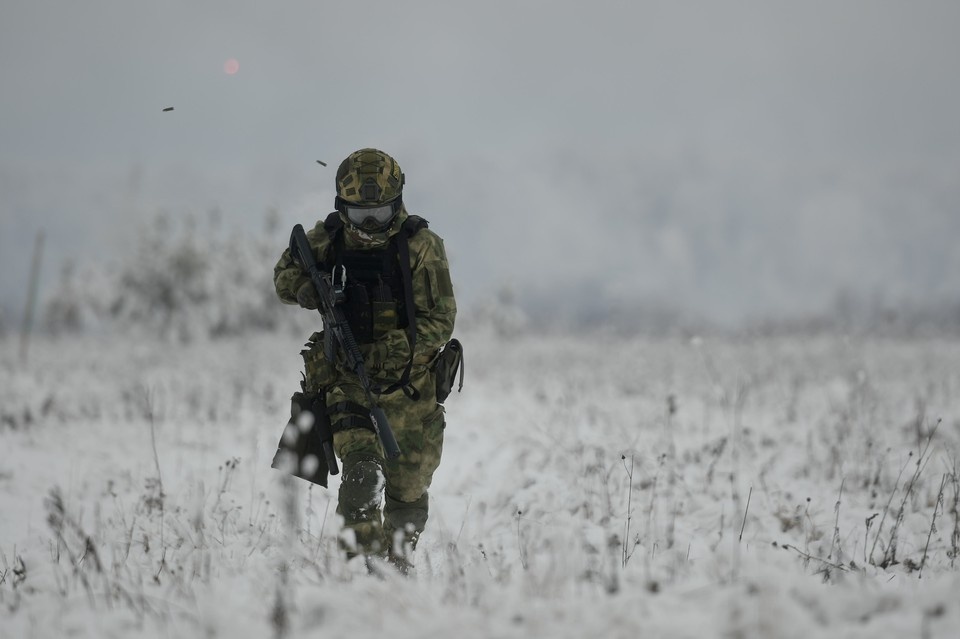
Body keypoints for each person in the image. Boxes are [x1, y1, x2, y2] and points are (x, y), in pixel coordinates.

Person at [273, 148, 457, 570]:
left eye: (380, 213)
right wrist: (307, 289)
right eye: (359, 215)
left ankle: (397, 565)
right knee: (362, 476)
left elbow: (441, 320)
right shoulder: (328, 237)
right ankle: (362, 571)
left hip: (409, 385)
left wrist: (388, 352)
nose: (370, 225)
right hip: (346, 380)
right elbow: (283, 277)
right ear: (342, 207)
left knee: (409, 491)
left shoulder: (422, 246)